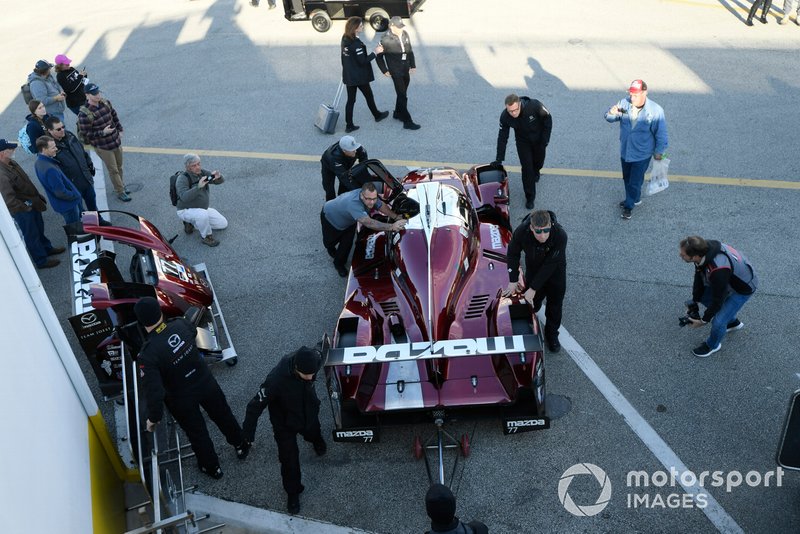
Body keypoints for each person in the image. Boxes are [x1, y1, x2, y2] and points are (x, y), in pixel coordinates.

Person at [134, 297, 250, 480]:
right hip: (205, 382)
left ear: (141, 322)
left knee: (198, 433)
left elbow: (155, 391)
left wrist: (153, 419)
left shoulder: (147, 355)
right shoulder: (180, 324)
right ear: (160, 311)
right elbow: (193, 332)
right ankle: (241, 444)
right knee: (223, 415)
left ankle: (212, 468)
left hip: (181, 399)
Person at [242, 346, 326, 514]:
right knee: (289, 460)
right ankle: (293, 493)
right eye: (307, 375)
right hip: (284, 424)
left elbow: (323, 347)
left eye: (313, 374)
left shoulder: (312, 359)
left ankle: (317, 440)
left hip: (307, 413)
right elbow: (254, 406)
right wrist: (248, 434)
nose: (311, 378)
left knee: (313, 430)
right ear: (296, 369)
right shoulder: (275, 380)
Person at [679, 236, 758, 358]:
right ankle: (732, 323)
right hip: (728, 279)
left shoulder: (718, 269)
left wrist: (703, 321)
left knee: (718, 322)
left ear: (695, 256)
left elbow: (718, 298)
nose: (680, 255)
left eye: (683, 255)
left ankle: (712, 345)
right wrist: (694, 301)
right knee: (705, 297)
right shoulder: (704, 251)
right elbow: (699, 277)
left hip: (743, 288)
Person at [503, 210, 567, 353]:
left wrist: (533, 288)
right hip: (534, 269)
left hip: (555, 272)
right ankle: (530, 324)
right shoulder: (521, 232)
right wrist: (513, 280)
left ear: (551, 225)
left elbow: (551, 264)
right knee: (533, 303)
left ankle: (552, 334)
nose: (543, 236)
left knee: (555, 306)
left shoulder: (560, 235)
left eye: (546, 230)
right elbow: (513, 253)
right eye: (538, 231)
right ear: (531, 228)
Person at [604, 79, 668, 220]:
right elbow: (609, 118)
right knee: (627, 177)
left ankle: (629, 206)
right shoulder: (624, 103)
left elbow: (661, 134)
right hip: (626, 151)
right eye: (631, 94)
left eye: (636, 95)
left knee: (634, 180)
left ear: (644, 93)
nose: (632, 98)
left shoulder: (655, 111)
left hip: (642, 154)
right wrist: (611, 112)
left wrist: (659, 152)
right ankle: (635, 198)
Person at [0, 139, 64, 269]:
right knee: (31, 235)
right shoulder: (1, 174)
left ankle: (46, 248)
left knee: (39, 229)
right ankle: (41, 260)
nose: (13, 150)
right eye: (10, 149)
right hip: (23, 210)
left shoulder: (10, 162)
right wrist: (27, 208)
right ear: (2, 153)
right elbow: (9, 200)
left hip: (31, 204)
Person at [321, 182, 407, 277]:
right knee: (329, 242)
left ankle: (338, 264)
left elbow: (381, 205)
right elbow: (368, 222)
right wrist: (391, 227)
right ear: (362, 196)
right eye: (368, 199)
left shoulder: (369, 196)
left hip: (349, 221)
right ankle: (330, 247)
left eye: (374, 199)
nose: (372, 202)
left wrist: (395, 217)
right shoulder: (353, 204)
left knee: (346, 244)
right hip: (330, 218)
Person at [493, 93, 553, 210]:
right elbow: (502, 137)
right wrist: (499, 158)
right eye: (510, 111)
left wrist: (545, 140)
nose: (513, 113)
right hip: (523, 143)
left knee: (538, 163)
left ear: (520, 104)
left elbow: (548, 119)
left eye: (515, 110)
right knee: (527, 169)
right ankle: (530, 197)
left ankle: (537, 171)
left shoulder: (534, 106)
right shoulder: (505, 117)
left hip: (539, 140)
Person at [77, 83, 131, 202]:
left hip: (115, 141)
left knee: (119, 167)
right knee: (113, 170)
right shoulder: (84, 114)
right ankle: (120, 191)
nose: (98, 95)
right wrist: (102, 132)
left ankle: (120, 185)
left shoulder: (106, 103)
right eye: (94, 94)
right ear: (87, 95)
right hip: (103, 146)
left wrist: (120, 129)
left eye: (98, 92)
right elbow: (86, 133)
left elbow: (114, 116)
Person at [341, 16, 389, 133]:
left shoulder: (345, 38)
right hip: (359, 77)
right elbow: (363, 61)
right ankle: (377, 115)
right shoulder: (356, 44)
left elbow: (346, 58)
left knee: (351, 100)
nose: (363, 27)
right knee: (369, 96)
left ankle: (349, 125)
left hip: (349, 76)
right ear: (356, 28)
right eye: (361, 26)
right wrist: (375, 52)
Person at [45, 117, 100, 214]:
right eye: (58, 129)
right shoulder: (50, 148)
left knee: (92, 204)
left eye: (63, 127)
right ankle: (90, 225)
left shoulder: (70, 135)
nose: (62, 130)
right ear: (50, 131)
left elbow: (82, 151)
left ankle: (97, 221)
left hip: (85, 178)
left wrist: (89, 163)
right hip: (72, 185)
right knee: (80, 210)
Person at [376, 16, 421, 130]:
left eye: (401, 26)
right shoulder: (385, 39)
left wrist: (413, 65)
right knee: (402, 95)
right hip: (395, 71)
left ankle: (397, 112)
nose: (401, 29)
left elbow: (409, 50)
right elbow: (379, 57)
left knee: (402, 93)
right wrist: (384, 70)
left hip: (405, 68)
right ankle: (407, 121)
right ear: (391, 26)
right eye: (398, 27)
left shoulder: (405, 34)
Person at [175, 154, 227, 247]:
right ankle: (206, 237)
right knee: (202, 215)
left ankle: (193, 223)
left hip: (202, 208)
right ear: (188, 167)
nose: (198, 167)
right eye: (194, 165)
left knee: (223, 224)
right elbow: (184, 197)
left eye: (198, 164)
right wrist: (198, 187)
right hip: (185, 210)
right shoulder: (182, 178)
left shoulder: (202, 172)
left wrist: (218, 177)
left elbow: (217, 181)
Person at [34, 136, 82, 225]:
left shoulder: (38, 163)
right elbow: (61, 193)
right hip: (68, 206)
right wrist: (75, 195)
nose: (56, 149)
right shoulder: (50, 170)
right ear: (44, 149)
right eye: (53, 147)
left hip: (60, 204)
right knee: (75, 228)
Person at [320, 135, 369, 201]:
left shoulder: (357, 148)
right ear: (344, 151)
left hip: (345, 163)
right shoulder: (334, 157)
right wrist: (358, 191)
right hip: (328, 165)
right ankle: (330, 204)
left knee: (344, 187)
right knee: (328, 187)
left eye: (355, 148)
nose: (355, 151)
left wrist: (364, 177)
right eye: (352, 150)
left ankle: (342, 200)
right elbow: (345, 177)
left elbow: (364, 161)